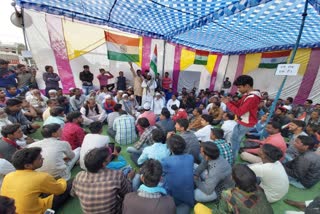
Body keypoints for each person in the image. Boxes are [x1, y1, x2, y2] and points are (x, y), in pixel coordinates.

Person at [1, 147, 71, 214]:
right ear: (27, 166)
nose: (43, 158)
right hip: (36, 211)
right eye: (39, 158)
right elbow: (60, 190)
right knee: (70, 184)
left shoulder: (8, 176)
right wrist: (61, 179)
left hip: (15, 209)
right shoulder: (41, 177)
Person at [71, 147, 134, 214]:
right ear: (104, 163)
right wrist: (129, 178)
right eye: (108, 157)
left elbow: (73, 194)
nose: (110, 157)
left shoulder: (79, 176)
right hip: (116, 211)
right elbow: (128, 193)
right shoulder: (116, 175)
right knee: (135, 180)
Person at [194, 164, 273, 214]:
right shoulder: (260, 189)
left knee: (198, 207)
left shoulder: (228, 195)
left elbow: (219, 212)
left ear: (232, 178)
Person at [221, 75, 261, 161]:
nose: (238, 90)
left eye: (239, 87)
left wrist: (228, 103)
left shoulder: (252, 98)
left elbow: (239, 112)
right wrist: (230, 101)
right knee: (234, 140)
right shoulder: (247, 95)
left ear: (247, 86)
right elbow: (239, 104)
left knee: (235, 142)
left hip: (246, 123)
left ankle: (232, 160)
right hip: (242, 121)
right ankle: (232, 156)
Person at [162, 135, 194, 214]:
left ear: (170, 148)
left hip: (172, 196)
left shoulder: (166, 161)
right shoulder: (190, 157)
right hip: (188, 197)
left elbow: (161, 174)